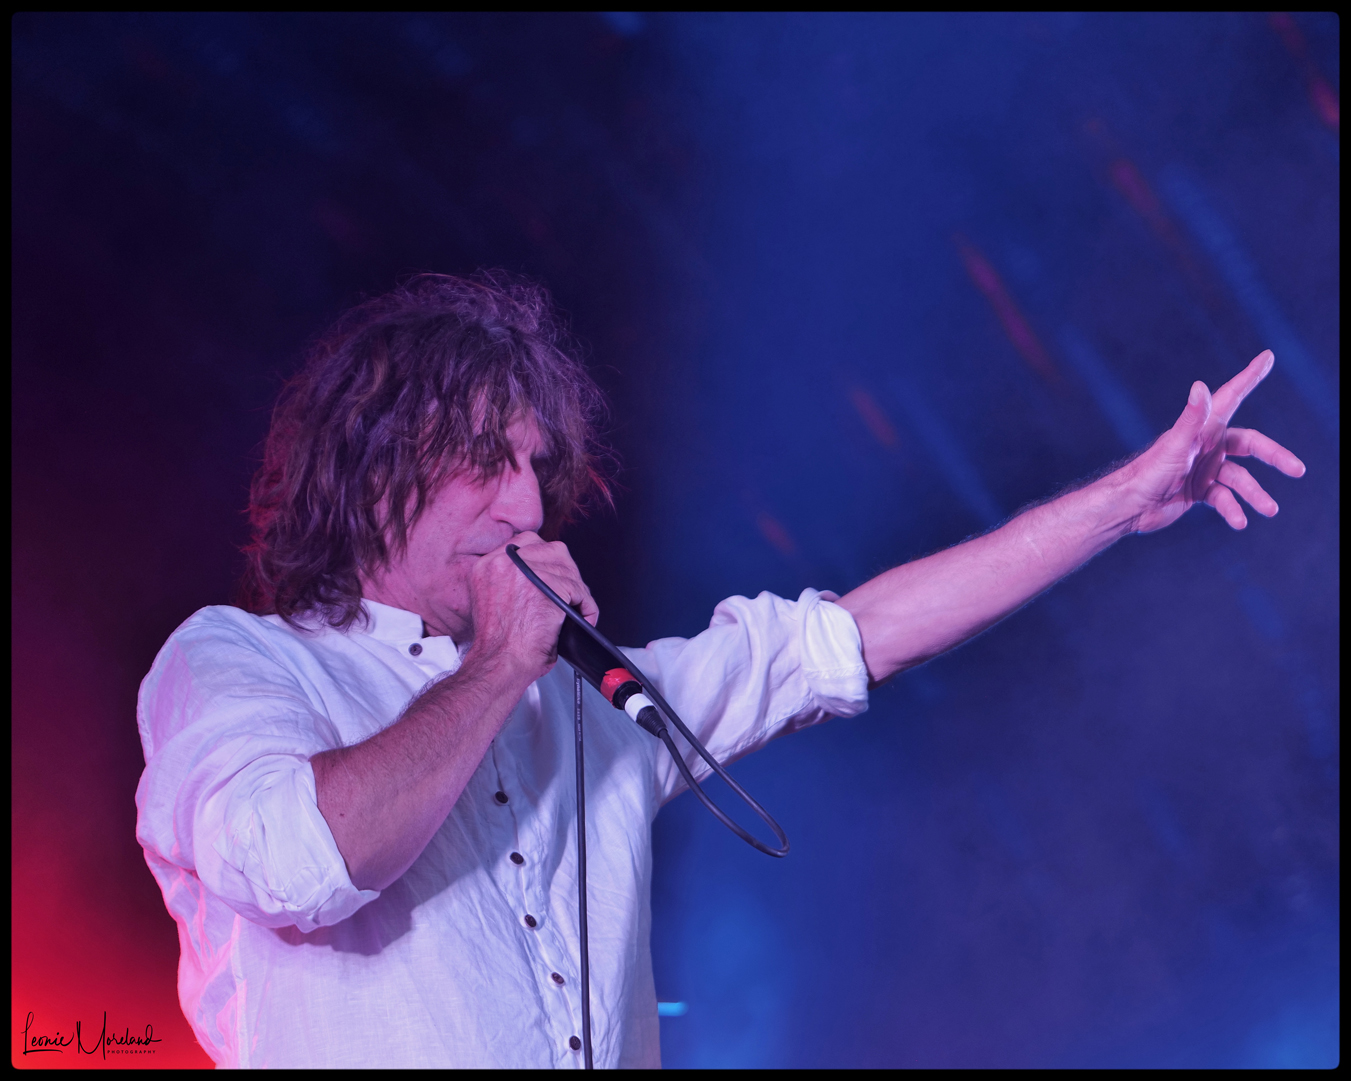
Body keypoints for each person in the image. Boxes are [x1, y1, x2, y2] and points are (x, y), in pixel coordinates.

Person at [134, 272, 1305, 1068]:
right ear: (375, 466)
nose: (528, 505)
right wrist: (497, 665)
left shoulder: (584, 704)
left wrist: (1121, 502)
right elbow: (297, 865)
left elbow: (855, 634)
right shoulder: (234, 662)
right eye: (486, 460)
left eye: (536, 467)